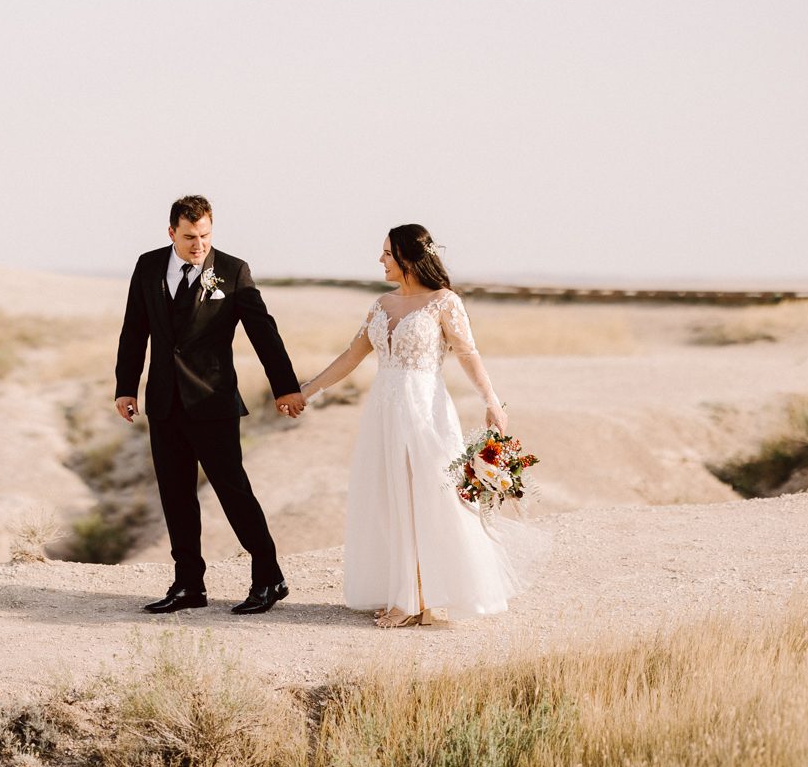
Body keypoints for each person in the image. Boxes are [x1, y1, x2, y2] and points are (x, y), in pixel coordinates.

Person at [298, 224, 547, 626]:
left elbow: (468, 354)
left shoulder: (444, 302)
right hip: (384, 411)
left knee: (430, 497)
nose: (380, 260)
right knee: (391, 499)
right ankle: (410, 595)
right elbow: (350, 356)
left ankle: (419, 602)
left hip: (425, 409)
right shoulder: (381, 305)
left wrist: (491, 400)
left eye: (386, 254)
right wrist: (305, 392)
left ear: (407, 259)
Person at [114, 195, 306, 615]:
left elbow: (263, 333)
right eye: (189, 237)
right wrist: (125, 387)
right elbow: (134, 330)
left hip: (213, 401)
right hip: (164, 402)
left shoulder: (233, 271)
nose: (198, 245)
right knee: (175, 495)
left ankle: (268, 577)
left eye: (204, 236)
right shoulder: (148, 267)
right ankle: (188, 585)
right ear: (171, 233)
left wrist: (286, 387)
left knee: (233, 491)